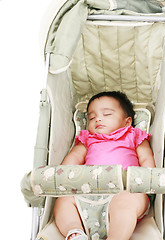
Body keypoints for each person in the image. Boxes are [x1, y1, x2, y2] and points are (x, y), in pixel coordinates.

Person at [53, 91, 155, 240]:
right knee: (63, 201)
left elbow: (146, 158)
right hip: (87, 194)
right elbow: (73, 158)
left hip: (125, 191)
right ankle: (75, 232)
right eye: (92, 117)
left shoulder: (133, 135)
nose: (98, 119)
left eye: (107, 114)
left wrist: (146, 177)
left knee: (128, 202)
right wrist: (61, 175)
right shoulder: (88, 139)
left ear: (127, 122)